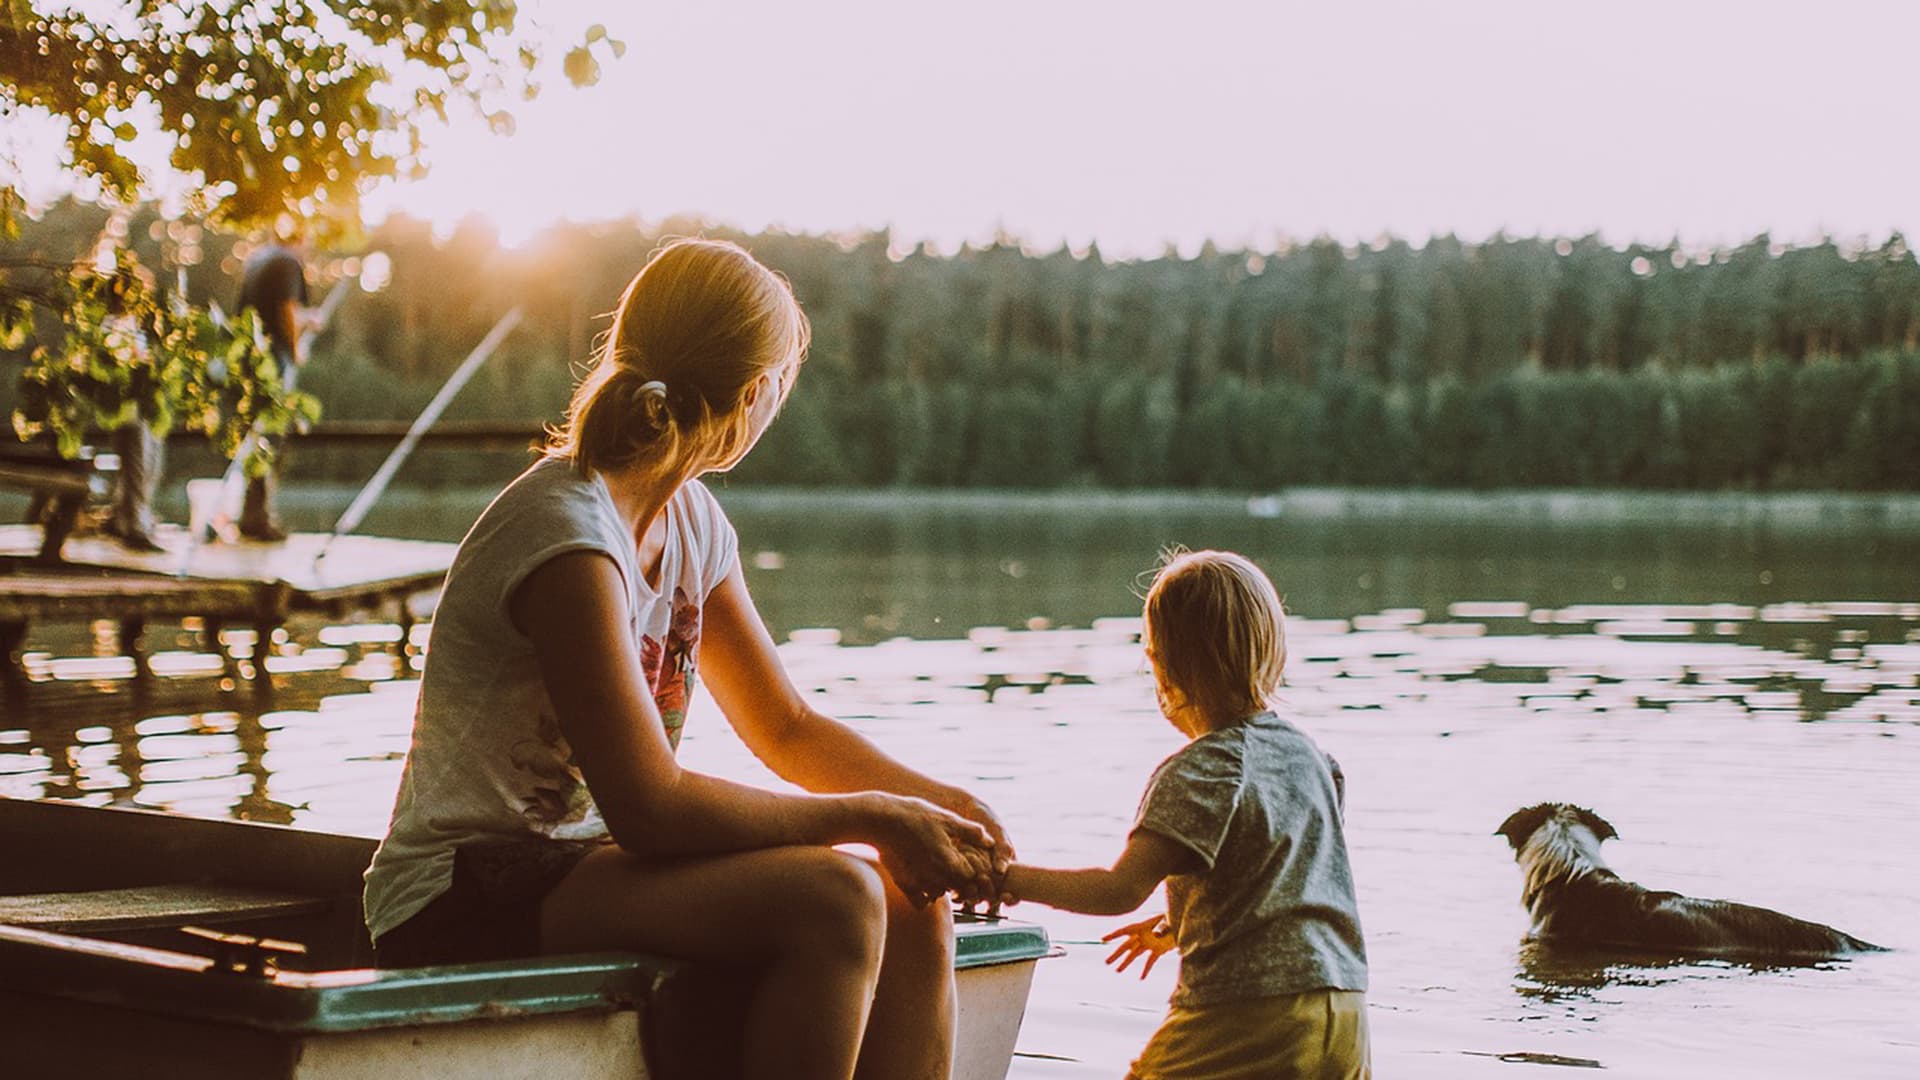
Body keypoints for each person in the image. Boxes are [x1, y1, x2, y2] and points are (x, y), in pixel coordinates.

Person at [362, 239, 1010, 1080]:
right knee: (842, 900)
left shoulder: (694, 524)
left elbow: (786, 725)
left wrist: (937, 807)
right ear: (753, 394)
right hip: (458, 893)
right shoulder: (568, 535)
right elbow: (650, 807)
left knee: (908, 902)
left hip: (585, 869)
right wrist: (874, 817)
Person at [996, 550, 1371, 1080]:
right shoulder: (1314, 760)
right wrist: (1179, 925)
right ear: (1273, 652)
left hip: (1248, 1010)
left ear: (1164, 667)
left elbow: (1117, 890)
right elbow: (1282, 877)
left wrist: (1008, 879)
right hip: (1345, 1010)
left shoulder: (1201, 770)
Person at [233, 234, 316, 540]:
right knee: (269, 437)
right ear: (300, 240)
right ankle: (258, 518)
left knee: (254, 435)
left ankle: (251, 514)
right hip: (274, 361)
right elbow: (286, 310)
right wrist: (295, 351)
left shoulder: (258, 259)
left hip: (248, 357)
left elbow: (269, 310)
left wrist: (307, 319)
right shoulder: (288, 262)